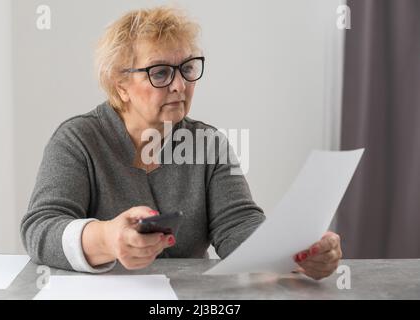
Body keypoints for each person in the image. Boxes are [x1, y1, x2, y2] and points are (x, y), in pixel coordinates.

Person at [20, 6, 341, 280]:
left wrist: (292, 253)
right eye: (160, 73)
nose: (179, 85)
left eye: (187, 69)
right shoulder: (77, 140)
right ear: (121, 86)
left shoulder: (210, 144)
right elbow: (40, 228)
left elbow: (237, 225)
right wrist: (107, 238)